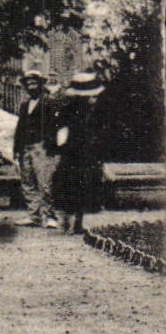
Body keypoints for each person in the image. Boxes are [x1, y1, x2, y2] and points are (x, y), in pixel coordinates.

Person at [50, 71, 106, 236]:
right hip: (77, 152)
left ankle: (71, 223)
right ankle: (71, 223)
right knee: (78, 185)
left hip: (75, 152)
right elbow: (63, 129)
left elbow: (60, 129)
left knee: (72, 186)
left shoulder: (81, 109)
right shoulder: (81, 110)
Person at [13, 70, 59, 228]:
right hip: (26, 146)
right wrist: (16, 148)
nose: (31, 86)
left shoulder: (49, 102)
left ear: (40, 84)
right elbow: (20, 127)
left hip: (42, 145)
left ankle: (50, 216)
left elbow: (54, 126)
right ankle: (34, 215)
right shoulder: (25, 105)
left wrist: (52, 146)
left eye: (34, 83)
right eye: (28, 84)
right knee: (27, 181)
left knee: (44, 181)